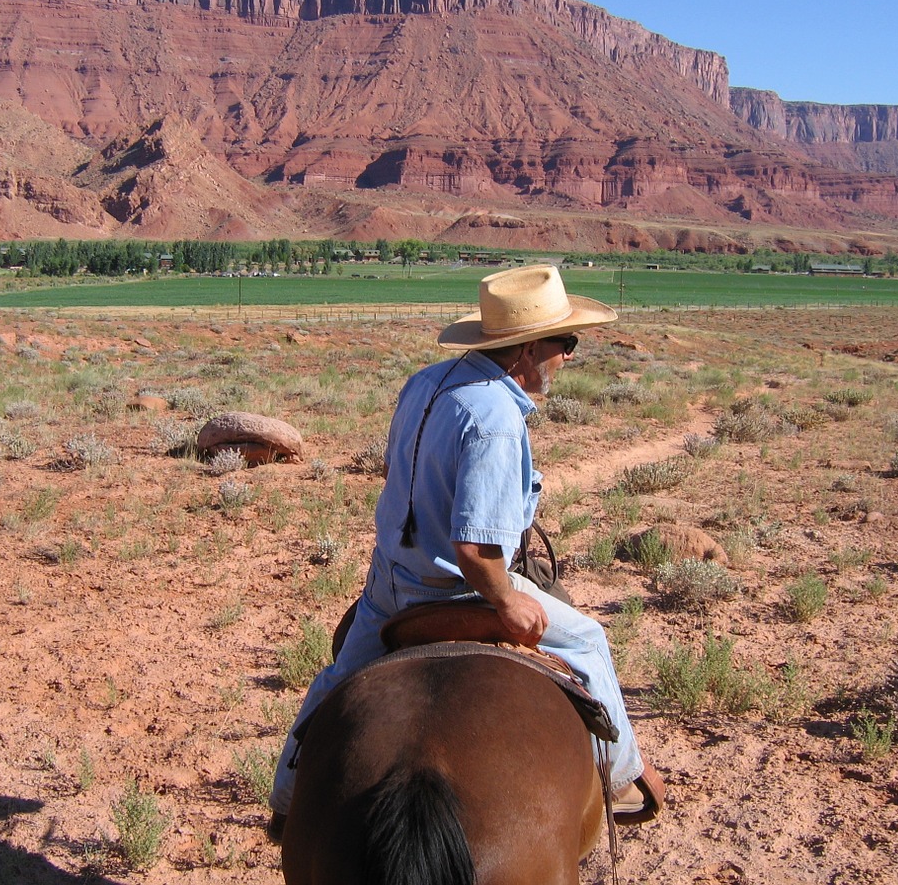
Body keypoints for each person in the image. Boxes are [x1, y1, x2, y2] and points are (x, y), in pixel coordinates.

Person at [267, 264, 664, 842]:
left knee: (337, 678)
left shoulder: (427, 381)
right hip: (455, 587)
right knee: (588, 642)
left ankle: (286, 797)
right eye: (567, 343)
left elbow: (398, 472)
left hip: (391, 582)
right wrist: (507, 602)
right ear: (528, 349)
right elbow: (476, 550)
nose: (570, 357)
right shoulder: (496, 418)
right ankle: (623, 776)